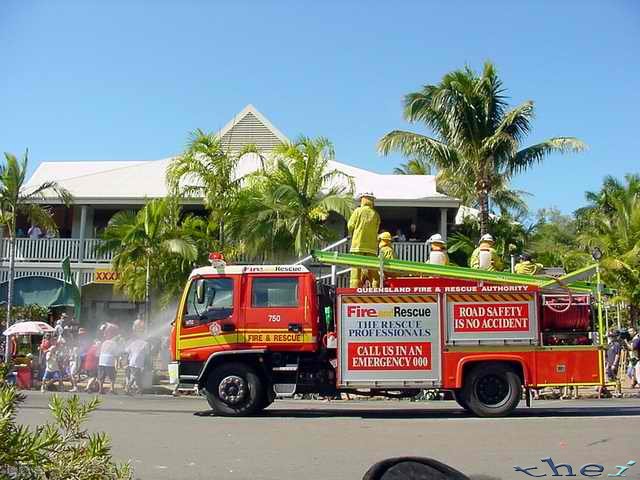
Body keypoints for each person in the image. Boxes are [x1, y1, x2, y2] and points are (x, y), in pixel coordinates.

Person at [347, 192, 380, 288]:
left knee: (355, 272)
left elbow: (350, 226)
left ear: (363, 199)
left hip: (358, 246)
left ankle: (354, 291)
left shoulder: (358, 211)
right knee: (373, 272)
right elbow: (377, 229)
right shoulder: (376, 215)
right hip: (372, 248)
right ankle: (375, 290)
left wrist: (353, 233)